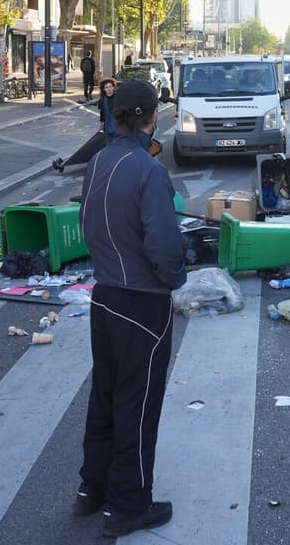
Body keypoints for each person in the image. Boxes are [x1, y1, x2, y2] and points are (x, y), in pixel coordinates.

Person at [74, 79, 182, 537]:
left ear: (114, 114)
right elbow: (164, 246)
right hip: (142, 300)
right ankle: (129, 504)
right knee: (137, 404)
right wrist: (175, 277)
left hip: (105, 296)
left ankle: (91, 489)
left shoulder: (98, 160)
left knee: (106, 396)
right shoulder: (148, 170)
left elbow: (85, 221)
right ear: (153, 117)